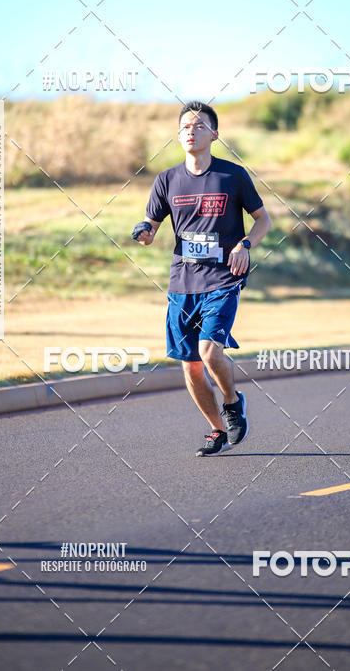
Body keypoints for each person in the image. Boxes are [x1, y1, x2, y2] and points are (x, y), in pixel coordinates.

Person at [133, 101, 271, 456]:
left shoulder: (232, 175)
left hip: (223, 279)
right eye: (185, 127)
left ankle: (232, 401)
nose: (190, 131)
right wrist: (144, 232)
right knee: (191, 366)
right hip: (183, 284)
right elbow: (151, 226)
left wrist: (244, 245)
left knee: (209, 352)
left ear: (214, 134)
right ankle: (216, 430)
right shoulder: (167, 180)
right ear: (178, 135)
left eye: (199, 125)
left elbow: (263, 220)